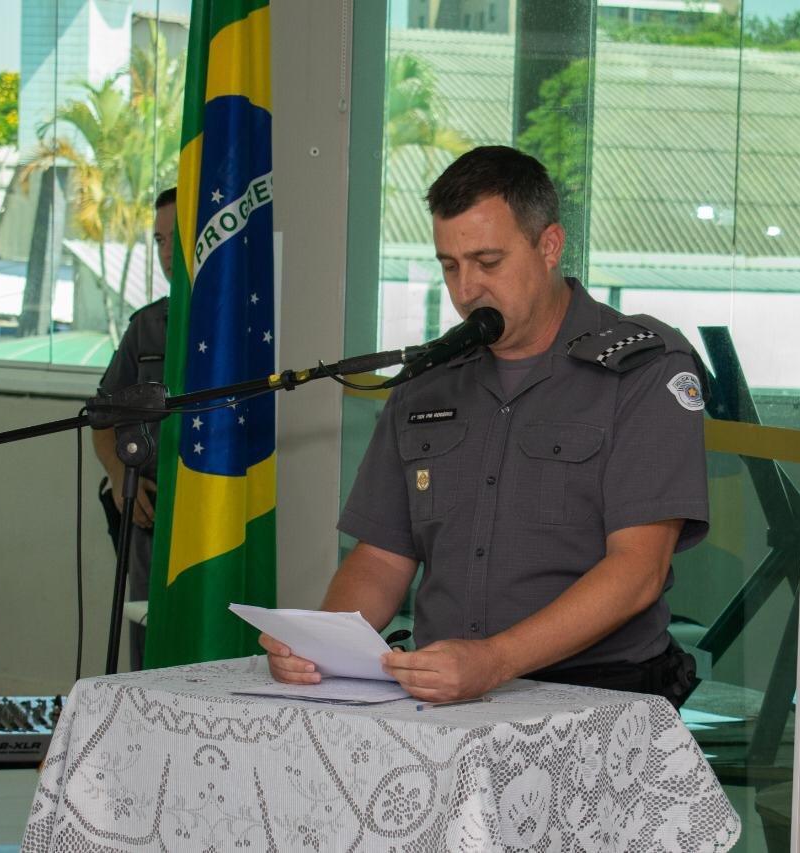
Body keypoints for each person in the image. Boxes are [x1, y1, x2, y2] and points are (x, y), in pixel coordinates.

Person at [262, 147, 709, 707]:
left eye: (488, 262)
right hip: (444, 691)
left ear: (549, 246)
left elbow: (638, 569)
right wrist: (318, 646)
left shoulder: (642, 367)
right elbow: (381, 557)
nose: (467, 289)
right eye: (450, 266)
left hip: (595, 696)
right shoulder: (430, 379)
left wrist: (494, 661)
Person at [92, 186, 177, 671]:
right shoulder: (147, 327)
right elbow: (102, 417)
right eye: (159, 240)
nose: (167, 253)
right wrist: (119, 475)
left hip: (214, 518)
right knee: (148, 652)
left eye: (177, 238)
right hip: (151, 518)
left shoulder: (239, 328)